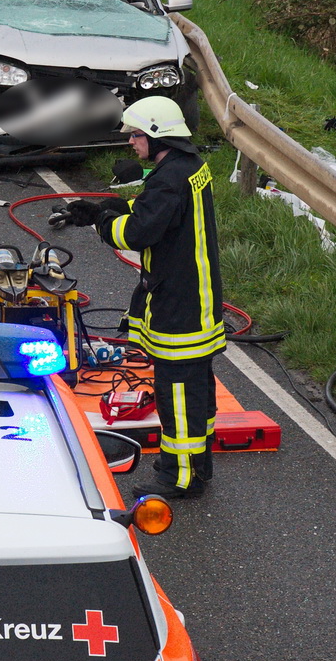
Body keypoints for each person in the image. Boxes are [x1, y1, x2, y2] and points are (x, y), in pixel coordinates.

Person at [50, 96, 224, 500]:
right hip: (197, 296)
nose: (131, 141)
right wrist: (108, 206)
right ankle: (200, 465)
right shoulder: (189, 168)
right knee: (196, 389)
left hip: (179, 305)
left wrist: (101, 221)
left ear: (156, 135)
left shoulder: (168, 179)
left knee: (177, 392)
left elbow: (137, 233)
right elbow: (158, 211)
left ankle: (179, 477)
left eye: (135, 133)